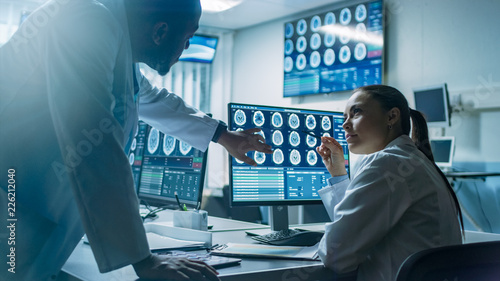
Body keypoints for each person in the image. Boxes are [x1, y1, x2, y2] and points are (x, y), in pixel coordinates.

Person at [0, 0, 271, 280]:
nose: (187, 47)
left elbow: (151, 98)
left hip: (31, 215)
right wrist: (143, 260)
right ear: (160, 32)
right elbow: (94, 141)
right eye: (188, 38)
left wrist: (223, 135)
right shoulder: (86, 19)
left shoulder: (115, 44)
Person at [315, 85, 463, 281]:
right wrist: (339, 174)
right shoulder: (409, 160)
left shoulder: (388, 164)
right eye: (344, 118)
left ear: (392, 116)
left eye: (356, 112)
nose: (345, 124)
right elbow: (357, 225)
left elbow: (335, 256)